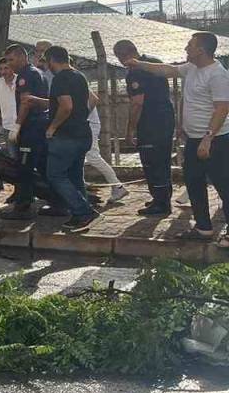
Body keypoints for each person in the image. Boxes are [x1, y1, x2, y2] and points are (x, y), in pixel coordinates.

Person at [123, 32, 229, 246]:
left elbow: (222, 108)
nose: (186, 48)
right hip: (194, 138)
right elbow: (167, 70)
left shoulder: (217, 74)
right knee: (193, 181)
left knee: (224, 185)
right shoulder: (191, 68)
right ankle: (203, 228)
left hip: (216, 139)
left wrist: (208, 139)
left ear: (201, 50)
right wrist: (139, 64)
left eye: (190, 45)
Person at [114, 40, 175, 215]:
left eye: (119, 56)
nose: (120, 61)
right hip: (165, 118)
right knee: (162, 160)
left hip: (150, 122)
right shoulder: (152, 62)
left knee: (152, 162)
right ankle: (161, 198)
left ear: (124, 54)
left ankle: (161, 204)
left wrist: (130, 130)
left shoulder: (135, 71)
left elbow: (137, 104)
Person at [42, 46, 98, 231]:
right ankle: (81, 214)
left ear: (51, 60)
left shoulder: (60, 78)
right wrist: (80, 116)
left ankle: (83, 212)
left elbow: (66, 106)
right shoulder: (79, 75)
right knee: (75, 176)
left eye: (46, 61)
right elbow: (93, 99)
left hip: (66, 137)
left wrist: (52, 127)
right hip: (82, 133)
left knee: (55, 175)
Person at [0, 44, 55, 220]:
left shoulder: (26, 75)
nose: (9, 64)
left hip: (31, 127)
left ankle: (22, 208)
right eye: (7, 60)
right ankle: (59, 201)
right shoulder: (38, 73)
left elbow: (26, 102)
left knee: (24, 168)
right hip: (41, 126)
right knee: (45, 167)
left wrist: (16, 127)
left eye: (11, 59)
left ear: (22, 57)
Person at [84, 103, 128, 203]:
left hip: (88, 124)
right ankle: (82, 186)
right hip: (83, 124)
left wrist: (81, 115)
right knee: (77, 156)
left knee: (93, 157)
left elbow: (93, 99)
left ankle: (118, 186)